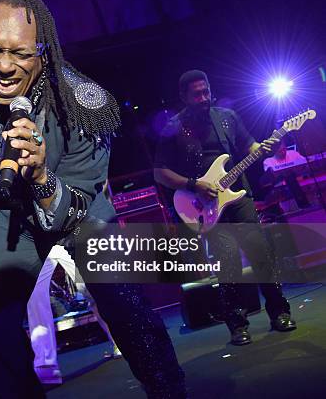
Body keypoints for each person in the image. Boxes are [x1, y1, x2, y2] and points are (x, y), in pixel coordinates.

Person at [0, 0, 185, 398]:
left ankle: (167, 389)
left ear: (43, 53)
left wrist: (43, 177)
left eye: (21, 54)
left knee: (124, 304)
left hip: (79, 213)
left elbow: (79, 201)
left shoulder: (85, 106)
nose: (4, 66)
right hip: (8, 216)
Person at [154, 70, 297, 346]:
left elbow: (250, 145)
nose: (204, 98)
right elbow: (160, 173)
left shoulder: (227, 118)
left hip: (238, 197)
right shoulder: (173, 127)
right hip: (204, 204)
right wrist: (194, 184)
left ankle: (280, 313)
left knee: (262, 254)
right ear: (184, 96)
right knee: (227, 263)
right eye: (197, 94)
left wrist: (265, 147)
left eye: (206, 91)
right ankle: (237, 324)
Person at [27, 243, 121, 385]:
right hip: (35, 241)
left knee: (93, 290)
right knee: (36, 301)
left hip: (66, 234)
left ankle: (119, 341)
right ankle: (46, 369)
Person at [262, 140, 310, 209]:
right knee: (289, 177)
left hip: (298, 180)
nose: (283, 152)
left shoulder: (293, 153)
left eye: (284, 149)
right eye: (280, 151)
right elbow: (270, 176)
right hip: (280, 186)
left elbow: (306, 162)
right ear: (274, 152)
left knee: (291, 177)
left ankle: (303, 204)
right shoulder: (268, 161)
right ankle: (303, 204)